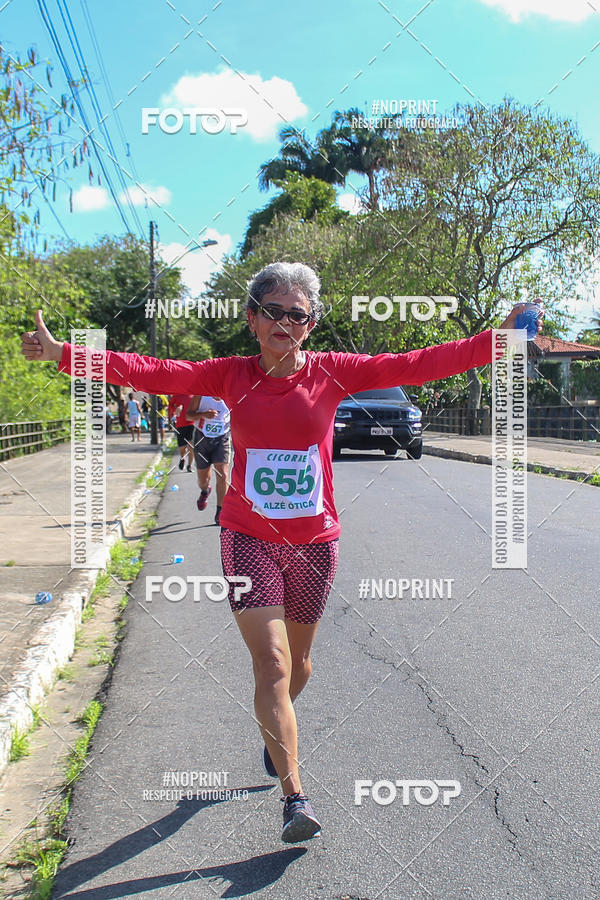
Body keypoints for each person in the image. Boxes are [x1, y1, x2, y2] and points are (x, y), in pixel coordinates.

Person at [20, 262, 543, 844]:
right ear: (252, 319)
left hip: (314, 542)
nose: (285, 322)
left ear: (311, 324)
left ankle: (277, 730)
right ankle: (296, 798)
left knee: (298, 667)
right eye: (273, 311)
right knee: (269, 664)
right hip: (247, 538)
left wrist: (500, 340)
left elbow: (420, 363)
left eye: (298, 314)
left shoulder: (334, 374)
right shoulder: (229, 375)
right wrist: (66, 353)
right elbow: (154, 371)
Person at [186, 395, 231, 525]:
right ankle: (205, 490)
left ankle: (220, 511)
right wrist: (204, 414)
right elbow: (189, 416)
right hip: (202, 438)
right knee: (203, 479)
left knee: (223, 475)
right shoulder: (201, 396)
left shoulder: (231, 394)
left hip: (222, 438)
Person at [168, 393, 195, 471]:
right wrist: (175, 410)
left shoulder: (194, 395)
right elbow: (170, 406)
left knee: (191, 446)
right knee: (182, 447)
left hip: (192, 423)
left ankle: (189, 465)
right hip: (181, 424)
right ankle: (182, 458)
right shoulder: (176, 395)